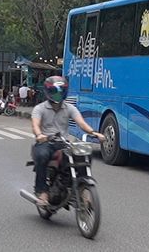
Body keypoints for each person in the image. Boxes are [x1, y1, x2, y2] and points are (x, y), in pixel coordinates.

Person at [31, 76, 105, 206]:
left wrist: (94, 133)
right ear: (48, 92)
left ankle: (81, 187)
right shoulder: (39, 108)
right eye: (55, 91)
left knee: (84, 154)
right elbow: (35, 124)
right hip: (45, 142)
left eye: (61, 91)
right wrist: (39, 135)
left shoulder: (69, 107)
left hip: (63, 142)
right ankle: (42, 191)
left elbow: (81, 123)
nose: (58, 94)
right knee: (42, 156)